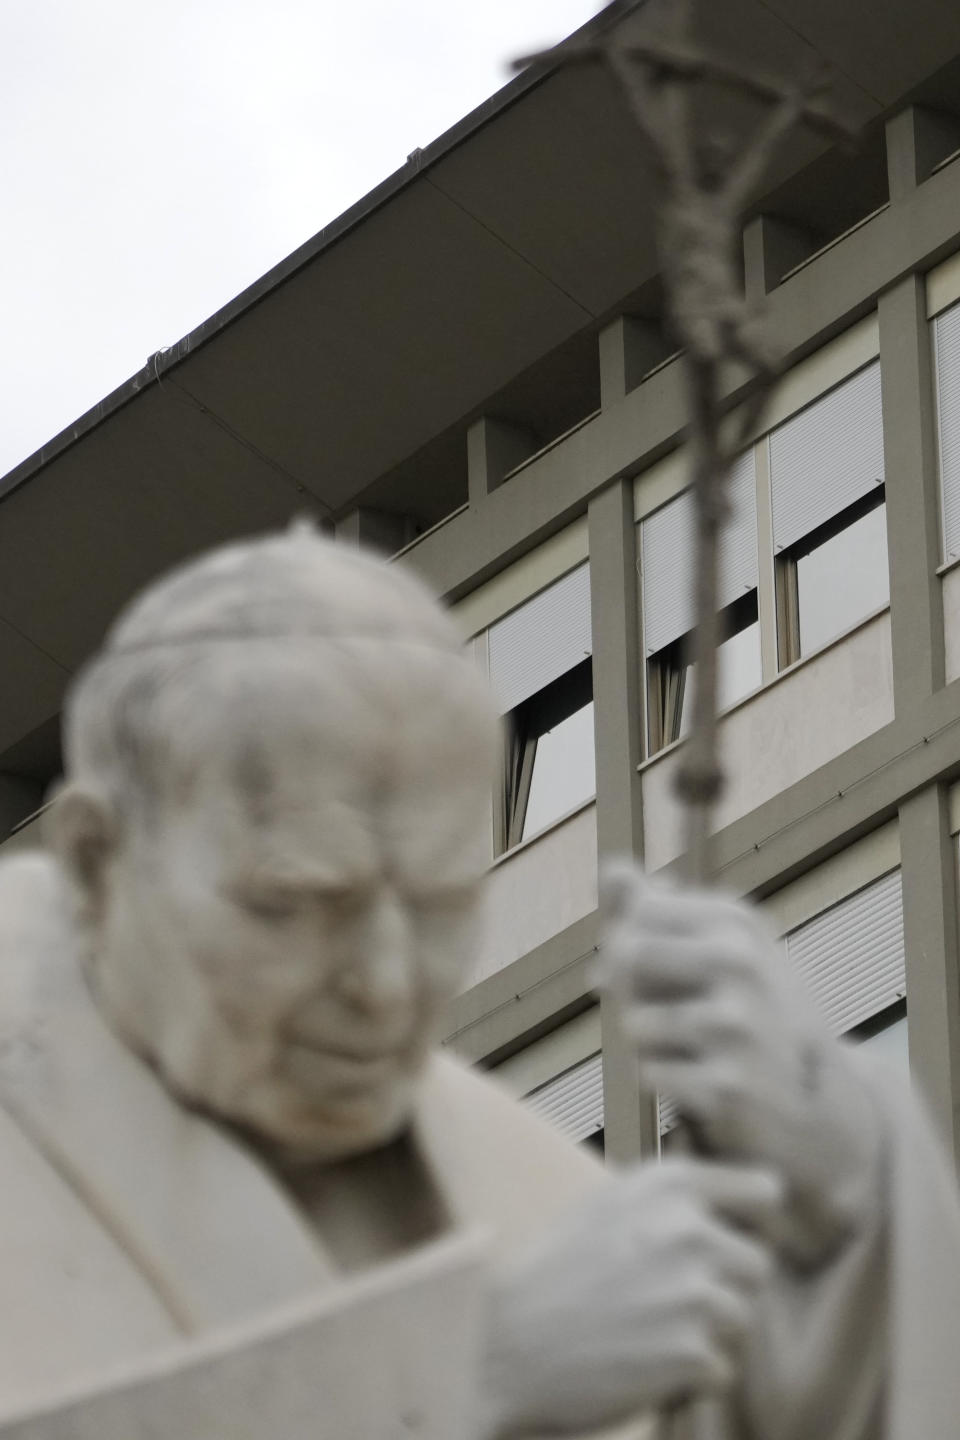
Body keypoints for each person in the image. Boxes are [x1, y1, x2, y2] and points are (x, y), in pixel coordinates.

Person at [0, 525, 957, 1438]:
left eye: (438, 901)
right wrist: (466, 1377)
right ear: (96, 860)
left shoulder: (516, 1183)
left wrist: (849, 1199)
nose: (383, 986)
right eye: (293, 904)